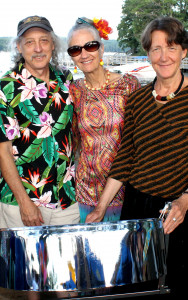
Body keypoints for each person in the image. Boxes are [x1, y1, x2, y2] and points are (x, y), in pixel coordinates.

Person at [85, 17, 188, 298]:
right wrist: (101, 207)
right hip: (138, 206)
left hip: (182, 207)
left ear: (184, 51)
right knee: (135, 286)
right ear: (148, 54)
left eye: (171, 47)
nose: (163, 56)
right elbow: (126, 156)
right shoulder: (138, 99)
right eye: (155, 49)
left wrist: (185, 199)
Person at [0, 15, 79, 229]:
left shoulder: (66, 79)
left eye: (44, 40)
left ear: (53, 44)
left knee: (67, 263)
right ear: (19, 47)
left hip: (67, 198)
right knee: (23, 263)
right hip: (22, 201)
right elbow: (3, 151)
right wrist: (24, 202)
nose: (38, 48)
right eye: (29, 42)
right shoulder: (4, 87)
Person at [67, 17, 140, 223]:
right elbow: (72, 140)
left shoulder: (128, 85)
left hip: (124, 189)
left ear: (101, 48)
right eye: (75, 49)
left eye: (90, 45)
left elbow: (138, 141)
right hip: (84, 192)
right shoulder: (74, 90)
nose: (84, 54)